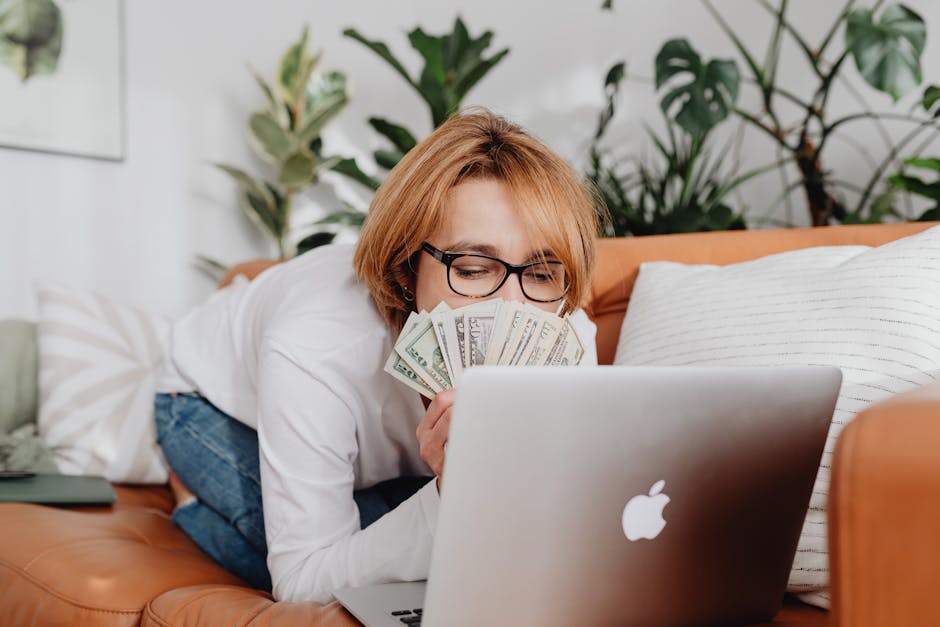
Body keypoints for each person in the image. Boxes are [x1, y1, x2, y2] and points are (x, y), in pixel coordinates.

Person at [153, 107, 601, 603]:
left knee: (412, 541)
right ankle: (192, 503)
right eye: (474, 268)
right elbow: (301, 582)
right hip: (203, 401)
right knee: (383, 554)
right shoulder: (314, 345)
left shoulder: (561, 332)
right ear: (406, 271)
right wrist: (453, 499)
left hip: (378, 462)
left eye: (540, 273)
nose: (512, 307)